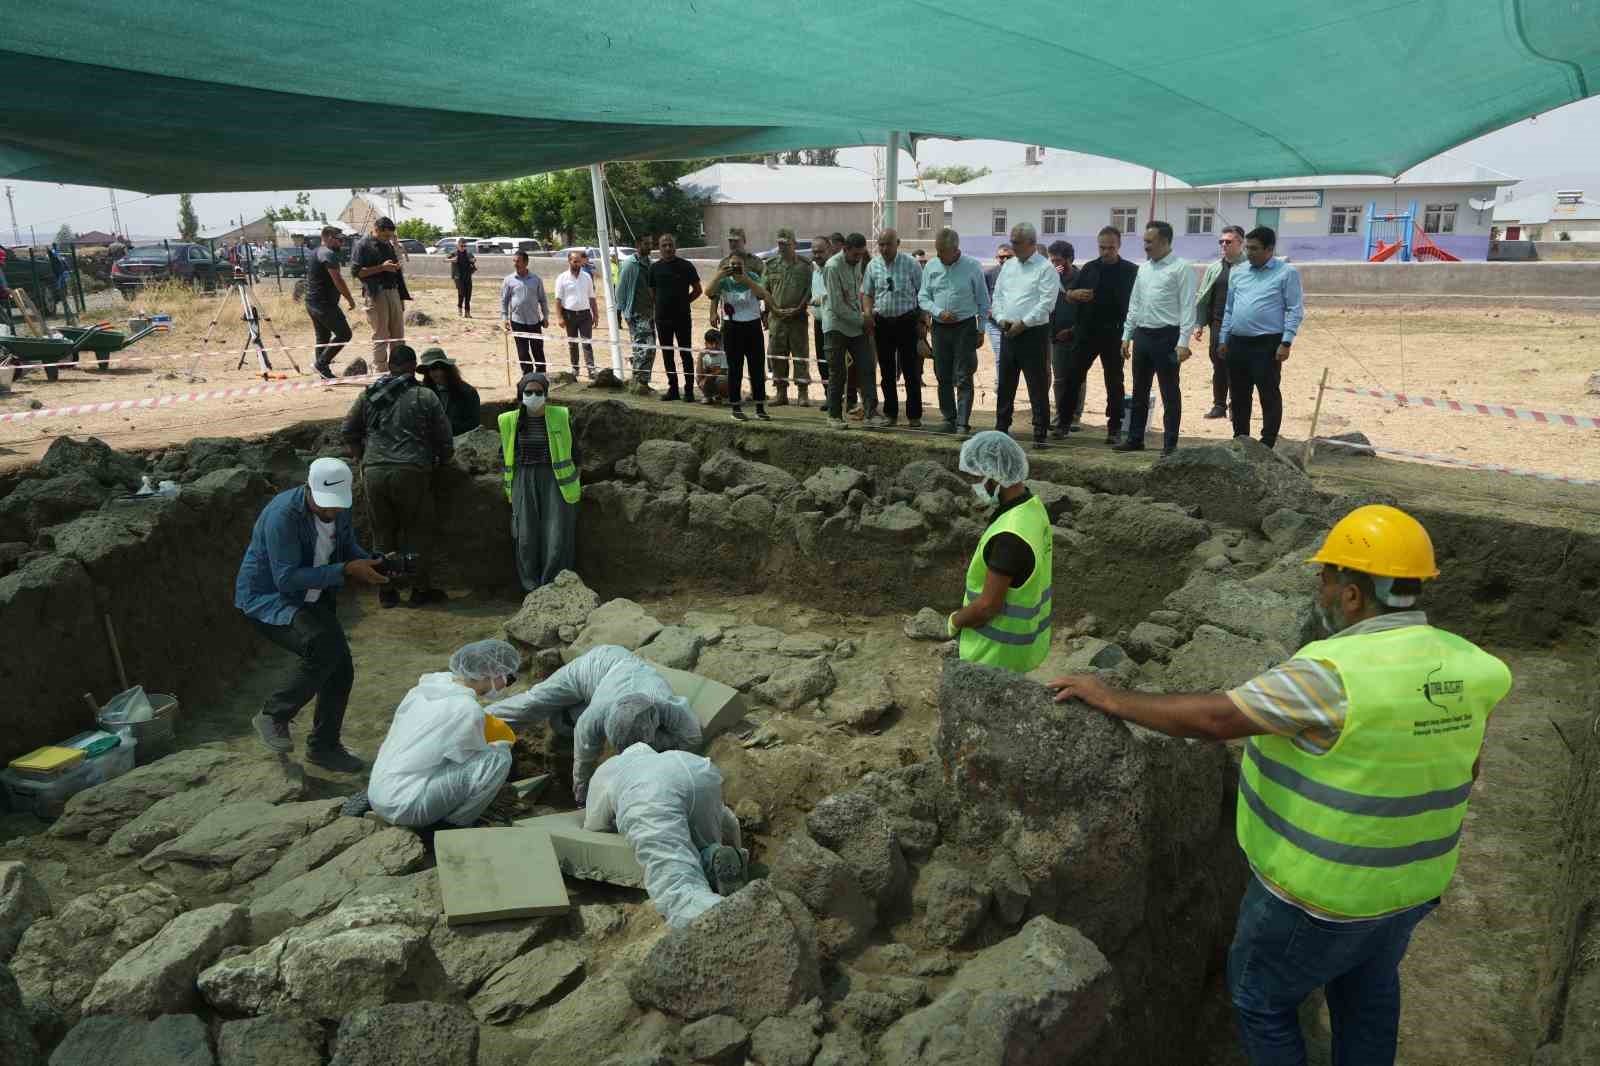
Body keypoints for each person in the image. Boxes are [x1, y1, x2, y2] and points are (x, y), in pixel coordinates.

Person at [1047, 505, 1512, 1066]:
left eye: (1326, 579)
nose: (1318, 592)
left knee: (1260, 999)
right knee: (1367, 991)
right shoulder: (1473, 665)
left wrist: (1112, 698)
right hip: (1412, 887)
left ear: (1353, 595)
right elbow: (1468, 767)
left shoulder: (1331, 674)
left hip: (1320, 897)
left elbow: (1217, 720)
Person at [234, 457, 387, 773]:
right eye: (326, 505)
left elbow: (347, 548)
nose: (332, 512)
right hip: (271, 599)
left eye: (337, 506)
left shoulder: (338, 512)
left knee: (341, 669)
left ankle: (323, 747)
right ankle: (274, 715)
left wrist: (373, 563)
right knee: (322, 647)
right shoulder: (283, 516)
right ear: (309, 488)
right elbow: (286, 579)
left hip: (314, 597)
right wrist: (345, 570)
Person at [487, 644, 703, 805]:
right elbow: (584, 759)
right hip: (594, 666)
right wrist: (582, 796)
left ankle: (564, 716)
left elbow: (692, 738)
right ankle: (479, 719)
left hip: (622, 676)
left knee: (564, 720)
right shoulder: (595, 715)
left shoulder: (666, 704)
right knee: (533, 703)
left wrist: (660, 746)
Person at [583, 742, 748, 927]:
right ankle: (713, 856)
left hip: (649, 793)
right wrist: (737, 846)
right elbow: (729, 821)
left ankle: (735, 920)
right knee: (698, 843)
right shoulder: (664, 757)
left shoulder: (608, 770)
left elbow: (594, 825)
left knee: (677, 886)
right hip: (698, 770)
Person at [341, 344, 454, 608]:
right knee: (416, 532)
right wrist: (441, 461)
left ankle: (387, 592)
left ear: (389, 366)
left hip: (374, 472)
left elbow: (348, 428)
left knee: (383, 534)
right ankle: (419, 590)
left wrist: (360, 456)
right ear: (413, 367)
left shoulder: (369, 394)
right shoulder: (424, 396)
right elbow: (444, 439)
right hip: (411, 471)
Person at [365, 639, 521, 829]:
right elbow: (470, 756)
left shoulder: (429, 687)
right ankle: (450, 827)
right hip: (407, 807)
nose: (506, 686)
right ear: (488, 673)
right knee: (498, 757)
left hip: (378, 793)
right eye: (508, 679)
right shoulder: (467, 710)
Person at [944, 432, 1053, 672]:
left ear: (994, 477)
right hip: (1025, 646)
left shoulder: (1009, 536)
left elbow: (987, 607)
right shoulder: (1032, 507)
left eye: (977, 476)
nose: (974, 485)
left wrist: (954, 621)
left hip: (994, 655)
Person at [1221, 226, 1305, 450]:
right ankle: (1241, 439)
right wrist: (1223, 339)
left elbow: (1294, 309)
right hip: (1237, 342)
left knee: (1268, 394)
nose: (1249, 253)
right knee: (1238, 395)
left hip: (1267, 344)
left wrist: (1286, 342)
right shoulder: (1238, 272)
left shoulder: (1287, 273)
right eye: (1247, 247)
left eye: (1255, 249)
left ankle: (1267, 442)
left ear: (1270, 249)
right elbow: (1229, 309)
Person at [1118, 221, 1197, 456]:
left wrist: (1183, 342)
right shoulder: (1144, 269)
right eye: (1145, 241)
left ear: (1164, 242)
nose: (1145, 246)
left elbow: (1187, 308)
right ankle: (1135, 438)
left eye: (1149, 241)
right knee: (1139, 390)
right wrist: (1127, 335)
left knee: (1169, 391)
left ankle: (1170, 444)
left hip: (1167, 337)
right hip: (1143, 335)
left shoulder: (1181, 268)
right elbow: (1135, 303)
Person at [498, 371, 580, 592]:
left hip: (556, 481)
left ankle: (553, 586)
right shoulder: (508, 421)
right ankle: (531, 587)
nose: (533, 396)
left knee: (556, 535)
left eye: (538, 392)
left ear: (546, 394)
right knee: (525, 536)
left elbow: (575, 452)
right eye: (528, 392)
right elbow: (503, 454)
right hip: (523, 479)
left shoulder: (561, 416)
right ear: (520, 394)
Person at [1063, 226, 1139, 445]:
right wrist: (1073, 294)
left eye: (1110, 248)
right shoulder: (1089, 268)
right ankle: (1064, 422)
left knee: (1114, 381)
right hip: (1086, 332)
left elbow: (1136, 305)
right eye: (1102, 247)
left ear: (1119, 246)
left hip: (1115, 333)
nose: (1105, 252)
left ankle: (1114, 427)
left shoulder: (1130, 271)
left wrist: (1128, 335)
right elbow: (1069, 296)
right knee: (1072, 378)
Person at [990, 223, 1059, 449]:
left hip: (1033, 333)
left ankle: (1040, 433)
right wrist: (1001, 319)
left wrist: (1024, 323)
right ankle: (1001, 428)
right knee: (1006, 383)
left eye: (1016, 243)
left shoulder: (1045, 268)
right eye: (1011, 241)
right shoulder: (1008, 266)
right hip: (1008, 329)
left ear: (1030, 243)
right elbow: (998, 296)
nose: (1012, 247)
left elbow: (1046, 303)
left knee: (1037, 384)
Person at [917, 227, 989, 435]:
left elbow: (983, 301)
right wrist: (938, 311)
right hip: (939, 328)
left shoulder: (972, 266)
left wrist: (981, 329)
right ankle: (949, 418)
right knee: (942, 374)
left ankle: (963, 423)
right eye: (937, 250)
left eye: (942, 251)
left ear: (955, 249)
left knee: (964, 375)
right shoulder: (931, 266)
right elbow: (923, 297)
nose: (938, 255)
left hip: (965, 327)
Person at [862, 228, 926, 428]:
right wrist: (867, 314)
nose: (884, 248)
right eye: (880, 244)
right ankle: (890, 414)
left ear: (897, 243)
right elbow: (867, 293)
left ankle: (914, 416)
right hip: (882, 323)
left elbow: (922, 293)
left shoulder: (911, 264)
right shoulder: (873, 265)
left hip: (907, 322)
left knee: (911, 371)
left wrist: (923, 322)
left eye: (888, 244)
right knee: (887, 372)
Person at [707, 227, 770, 422]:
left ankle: (760, 405)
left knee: (757, 366)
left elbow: (763, 292)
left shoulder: (755, 265)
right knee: (735, 367)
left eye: (736, 240)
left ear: (744, 240)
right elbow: (711, 292)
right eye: (730, 241)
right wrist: (720, 276)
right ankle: (736, 406)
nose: (733, 244)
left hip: (752, 323)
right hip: (732, 325)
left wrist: (745, 279)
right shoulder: (724, 267)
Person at [822, 233, 884, 430]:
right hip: (836, 326)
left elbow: (859, 293)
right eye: (856, 254)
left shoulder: (858, 262)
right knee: (837, 372)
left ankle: (870, 413)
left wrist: (866, 313)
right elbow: (837, 305)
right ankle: (834, 416)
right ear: (846, 249)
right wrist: (863, 320)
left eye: (861, 254)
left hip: (857, 325)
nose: (859, 258)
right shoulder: (832, 267)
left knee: (867, 368)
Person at [1192, 224, 1247, 420]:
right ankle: (1219, 405)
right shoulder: (1214, 268)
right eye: (1221, 241)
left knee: (1238, 367)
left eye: (1228, 241)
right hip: (1217, 324)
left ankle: (1237, 405)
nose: (1224, 244)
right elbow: (1204, 297)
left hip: (1240, 326)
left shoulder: (1249, 267)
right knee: (1219, 365)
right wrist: (1199, 323)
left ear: (1241, 243)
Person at [351, 216, 410, 374]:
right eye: (385, 235)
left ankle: (399, 369)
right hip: (376, 293)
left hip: (394, 292)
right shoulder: (362, 244)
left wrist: (401, 297)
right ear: (376, 229)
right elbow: (356, 272)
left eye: (390, 236)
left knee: (398, 335)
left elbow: (396, 271)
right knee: (381, 335)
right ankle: (381, 371)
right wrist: (381, 268)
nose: (388, 239)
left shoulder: (388, 244)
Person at [762, 228, 814, 407]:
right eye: (780, 244)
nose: (782, 247)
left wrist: (800, 308)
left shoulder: (806, 266)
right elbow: (764, 290)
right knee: (777, 356)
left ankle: (802, 392)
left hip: (797, 318)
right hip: (777, 319)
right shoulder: (770, 265)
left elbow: (810, 290)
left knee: (800, 356)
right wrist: (774, 309)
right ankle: (781, 392)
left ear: (794, 244)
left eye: (786, 244)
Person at [649, 233, 703, 402]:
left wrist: (683, 302)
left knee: (685, 353)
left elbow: (697, 290)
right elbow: (652, 293)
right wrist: (662, 304)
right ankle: (673, 389)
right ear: (659, 248)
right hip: (662, 318)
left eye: (670, 245)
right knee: (667, 353)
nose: (667, 248)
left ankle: (688, 390)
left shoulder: (686, 266)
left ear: (675, 247)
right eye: (664, 245)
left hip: (682, 317)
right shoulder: (654, 268)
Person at [306, 225, 357, 380]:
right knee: (344, 334)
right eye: (339, 240)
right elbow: (338, 280)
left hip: (312, 302)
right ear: (328, 237)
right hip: (323, 304)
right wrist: (350, 299)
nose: (341, 243)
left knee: (323, 337)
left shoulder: (316, 252)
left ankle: (323, 373)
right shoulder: (328, 253)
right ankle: (321, 364)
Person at [1046, 239, 1084, 437]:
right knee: (1060, 379)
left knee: (1077, 378)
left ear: (1070, 259)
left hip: (1077, 336)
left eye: (1058, 261)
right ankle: (1061, 416)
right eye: (1051, 261)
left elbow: (1088, 311)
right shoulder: (1051, 278)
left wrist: (1073, 330)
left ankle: (1074, 417)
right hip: (1055, 337)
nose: (1055, 265)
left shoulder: (1082, 278)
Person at [501, 251, 550, 375]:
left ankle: (541, 375)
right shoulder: (508, 280)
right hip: (517, 321)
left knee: (537, 350)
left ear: (526, 262)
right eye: (514, 261)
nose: (515, 264)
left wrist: (545, 316)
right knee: (522, 352)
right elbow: (504, 300)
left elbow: (543, 300)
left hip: (534, 321)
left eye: (518, 261)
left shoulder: (536, 280)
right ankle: (527, 375)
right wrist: (505, 318)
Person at [615, 240, 656, 386]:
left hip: (650, 314)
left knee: (649, 350)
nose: (650, 246)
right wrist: (623, 312)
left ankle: (642, 382)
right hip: (636, 314)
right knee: (644, 349)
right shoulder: (629, 264)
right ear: (638, 245)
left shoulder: (650, 264)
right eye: (646, 243)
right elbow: (620, 290)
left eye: (650, 243)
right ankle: (638, 382)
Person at [418, 348, 481, 437]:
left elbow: (474, 424)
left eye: (436, 367)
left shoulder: (467, 392)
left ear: (446, 367)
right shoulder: (423, 393)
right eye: (428, 370)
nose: (432, 373)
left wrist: (448, 427)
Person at [556, 251, 598, 378]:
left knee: (587, 343)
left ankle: (591, 369)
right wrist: (559, 317)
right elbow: (558, 300)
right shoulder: (562, 278)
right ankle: (575, 369)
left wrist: (595, 315)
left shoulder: (587, 277)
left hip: (585, 314)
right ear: (569, 261)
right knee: (572, 343)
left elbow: (592, 298)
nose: (577, 263)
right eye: (574, 261)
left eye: (579, 261)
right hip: (569, 315)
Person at [982, 242, 1014, 374]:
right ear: (997, 258)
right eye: (1001, 257)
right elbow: (982, 296)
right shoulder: (989, 274)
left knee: (1012, 357)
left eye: (1008, 257)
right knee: (1000, 355)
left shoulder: (1021, 274)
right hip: (994, 323)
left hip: (1014, 323)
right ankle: (1000, 387)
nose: (1005, 259)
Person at [808, 234, 832, 390]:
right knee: (822, 362)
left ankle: (839, 398)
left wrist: (822, 300)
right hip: (818, 322)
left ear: (829, 250)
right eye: (814, 252)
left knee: (834, 363)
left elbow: (840, 294)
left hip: (834, 324)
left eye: (820, 252)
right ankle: (828, 396)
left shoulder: (834, 269)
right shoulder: (815, 269)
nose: (817, 255)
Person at [697, 328, 728, 403]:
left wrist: (708, 377)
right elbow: (700, 373)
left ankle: (722, 395)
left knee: (722, 380)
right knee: (698, 378)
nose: (714, 346)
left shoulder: (723, 354)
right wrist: (700, 357)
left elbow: (724, 370)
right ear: (706, 344)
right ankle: (708, 396)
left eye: (717, 343)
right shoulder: (704, 355)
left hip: (720, 379)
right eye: (711, 344)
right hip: (710, 380)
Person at [449, 240, 477, 317]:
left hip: (467, 276)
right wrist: (452, 259)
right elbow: (444, 260)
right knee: (461, 293)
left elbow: (474, 259)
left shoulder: (468, 253)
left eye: (465, 246)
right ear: (457, 246)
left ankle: (467, 312)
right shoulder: (454, 253)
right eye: (462, 246)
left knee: (468, 294)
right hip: (458, 277)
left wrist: (473, 260)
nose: (463, 247)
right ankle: (460, 308)